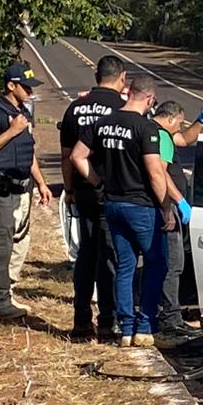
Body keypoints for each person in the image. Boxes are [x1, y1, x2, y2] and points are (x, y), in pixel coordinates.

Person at [69, 77, 172, 347]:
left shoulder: (102, 123)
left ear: (131, 94)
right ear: (149, 100)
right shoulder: (146, 127)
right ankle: (145, 327)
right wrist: (167, 207)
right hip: (141, 206)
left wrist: (98, 183)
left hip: (112, 205)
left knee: (124, 267)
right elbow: (154, 171)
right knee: (156, 264)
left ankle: (126, 329)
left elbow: (77, 156)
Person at [58, 55, 127, 340]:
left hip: (84, 192)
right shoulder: (123, 108)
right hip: (113, 192)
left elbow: (66, 157)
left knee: (87, 253)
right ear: (121, 78)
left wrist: (70, 189)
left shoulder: (75, 109)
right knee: (110, 256)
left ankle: (81, 321)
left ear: (97, 76)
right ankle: (107, 321)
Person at [0, 63, 53, 319]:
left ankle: (8, 294)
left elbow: (28, 152)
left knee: (20, 244)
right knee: (1, 246)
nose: (30, 91)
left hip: (23, 190)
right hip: (2, 190)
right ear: (11, 86)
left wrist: (41, 183)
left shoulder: (22, 113)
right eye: (26, 86)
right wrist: (12, 131)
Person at [151, 99, 203, 341]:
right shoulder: (162, 137)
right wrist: (178, 201)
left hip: (167, 206)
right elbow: (160, 172)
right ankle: (170, 319)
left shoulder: (163, 134)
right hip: (168, 207)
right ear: (169, 118)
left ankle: (170, 315)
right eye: (179, 122)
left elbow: (186, 139)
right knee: (173, 263)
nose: (180, 127)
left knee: (169, 262)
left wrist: (201, 121)